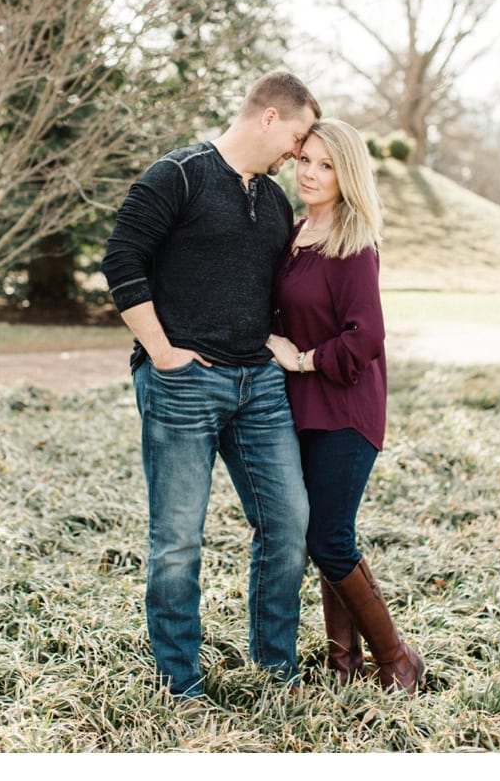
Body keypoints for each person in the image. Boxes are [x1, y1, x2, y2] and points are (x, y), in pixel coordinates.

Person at [102, 71, 320, 700]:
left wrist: (279, 344)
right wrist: (162, 350)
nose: (297, 155)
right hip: (183, 386)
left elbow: (279, 287)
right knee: (177, 539)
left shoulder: (275, 201)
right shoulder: (181, 173)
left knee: (289, 524)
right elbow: (121, 258)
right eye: (298, 138)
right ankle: (179, 679)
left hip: (258, 387)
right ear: (271, 118)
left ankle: (274, 666)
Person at [265, 118, 425, 695]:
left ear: (347, 173)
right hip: (301, 411)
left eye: (326, 165)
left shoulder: (354, 243)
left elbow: (366, 338)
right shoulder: (296, 232)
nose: (310, 172)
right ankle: (343, 665)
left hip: (347, 409)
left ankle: (397, 659)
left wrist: (300, 360)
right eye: (305, 159)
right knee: (325, 534)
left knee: (328, 537)